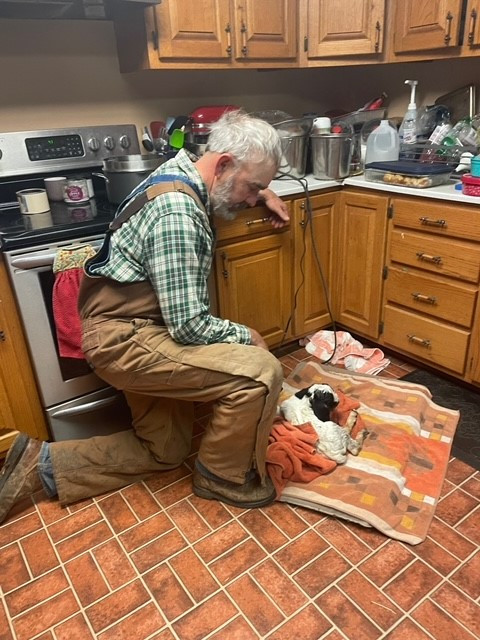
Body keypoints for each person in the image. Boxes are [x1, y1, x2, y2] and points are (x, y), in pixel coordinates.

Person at [0, 110, 290, 524]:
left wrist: (263, 192)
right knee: (261, 373)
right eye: (252, 187)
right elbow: (189, 327)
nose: (249, 198)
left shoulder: (183, 172)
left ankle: (41, 464)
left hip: (134, 333)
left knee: (165, 452)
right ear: (224, 164)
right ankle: (222, 477)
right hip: (130, 342)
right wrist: (248, 337)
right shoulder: (178, 214)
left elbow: (232, 186)